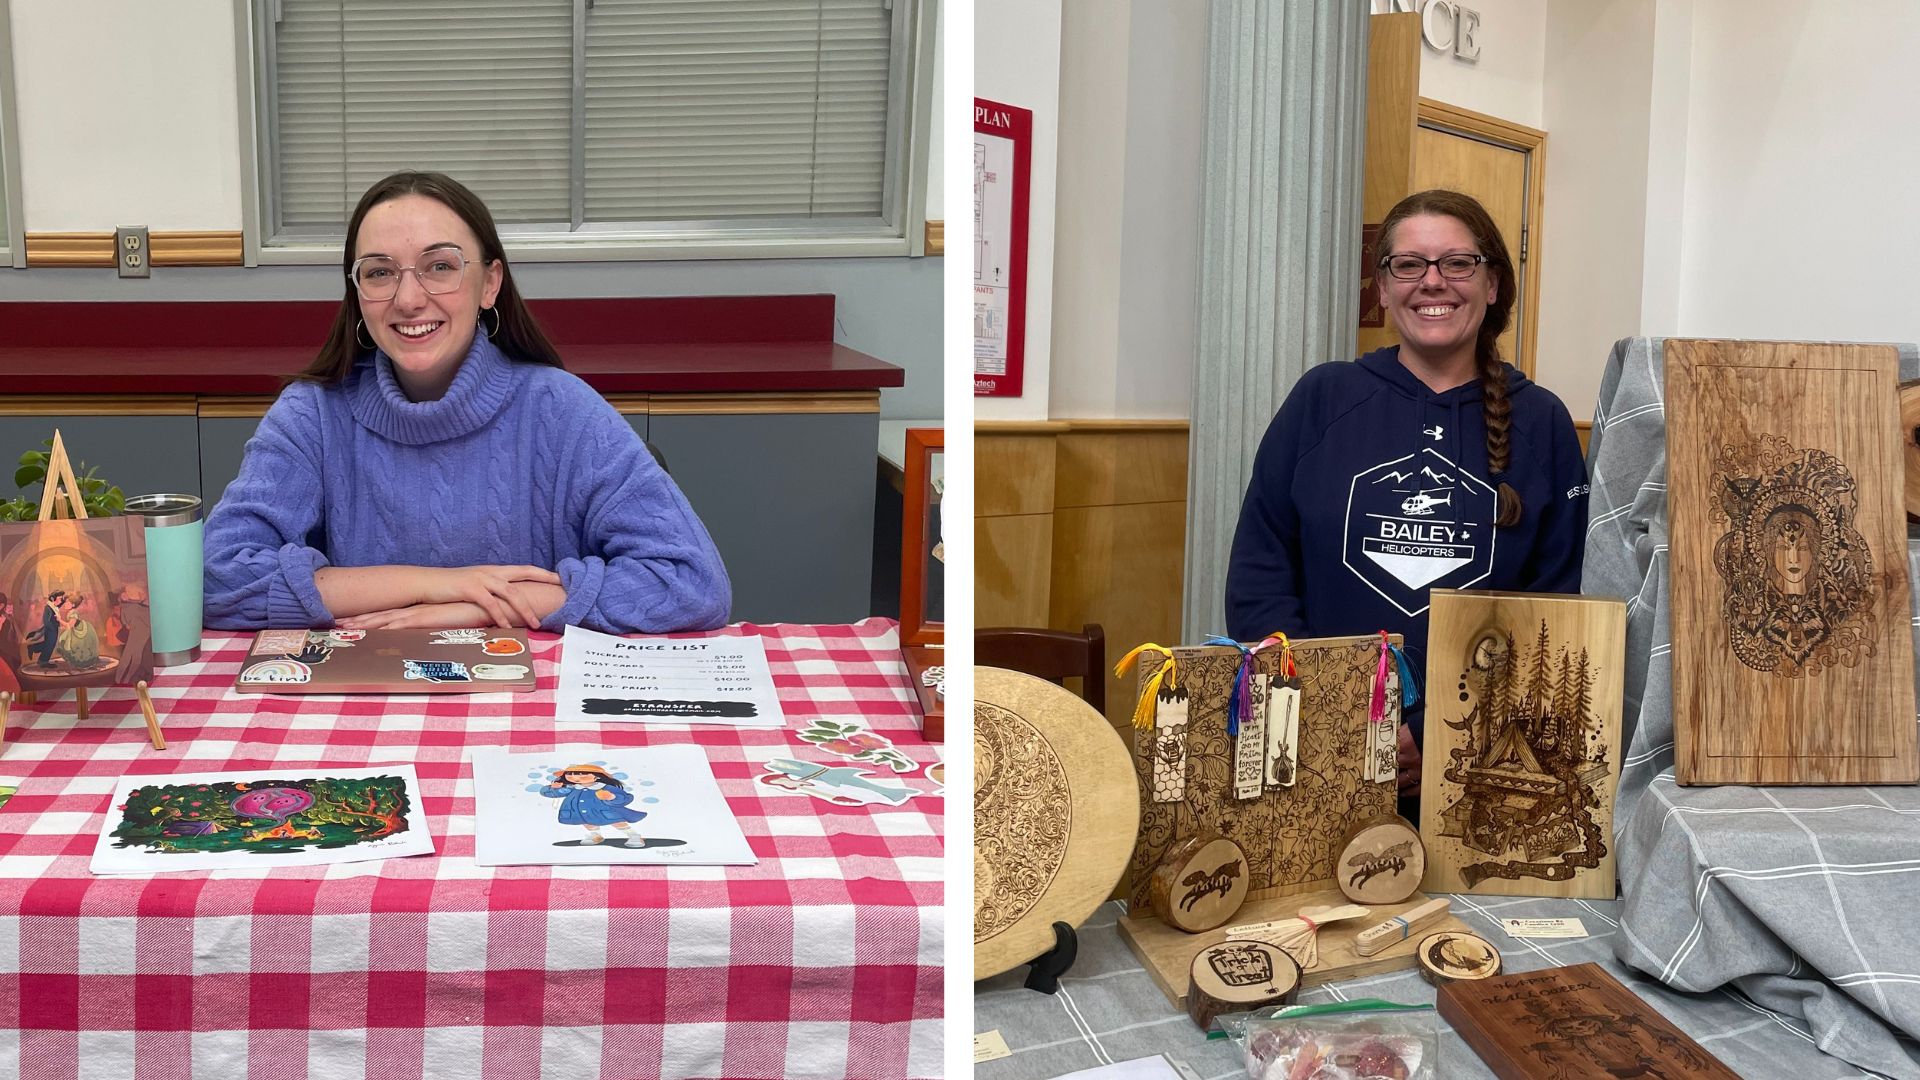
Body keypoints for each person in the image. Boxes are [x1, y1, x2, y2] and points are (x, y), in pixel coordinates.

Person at [203, 172, 730, 634]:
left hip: (532, 725)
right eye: (379, 272)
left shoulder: (563, 409)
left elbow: (691, 583)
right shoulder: (311, 415)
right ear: (357, 294)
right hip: (365, 717)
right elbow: (211, 576)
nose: (408, 299)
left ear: (490, 284)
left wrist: (484, 606)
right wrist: (435, 585)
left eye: (439, 266)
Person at [1224, 189, 1588, 800]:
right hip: (1317, 757)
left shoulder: (1542, 422)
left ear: (1492, 284)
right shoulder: (1323, 400)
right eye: (1409, 264)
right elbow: (1261, 575)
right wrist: (1331, 711)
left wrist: (1440, 729)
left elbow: (1560, 607)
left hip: (1481, 773)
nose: (1433, 281)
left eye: (1458, 263)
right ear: (1384, 288)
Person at [539, 765, 649, 847]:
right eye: (570, 774)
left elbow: (625, 797)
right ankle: (595, 835)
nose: (574, 777)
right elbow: (551, 794)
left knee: (617, 822)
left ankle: (634, 836)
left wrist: (611, 797)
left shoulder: (605, 787)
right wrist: (553, 788)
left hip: (604, 810)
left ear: (597, 777)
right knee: (586, 822)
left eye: (581, 774)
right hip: (578, 811)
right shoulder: (571, 787)